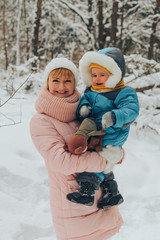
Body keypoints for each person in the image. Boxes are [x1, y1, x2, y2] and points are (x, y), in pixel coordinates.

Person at [30, 57, 123, 240]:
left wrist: (118, 153)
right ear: (47, 82)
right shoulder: (41, 121)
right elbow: (60, 162)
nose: (61, 86)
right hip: (74, 207)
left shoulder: (85, 111)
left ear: (75, 83)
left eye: (67, 80)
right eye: (55, 80)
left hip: (103, 202)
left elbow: (108, 141)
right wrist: (105, 159)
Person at [66, 47, 139, 210]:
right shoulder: (91, 92)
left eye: (102, 75)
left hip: (112, 136)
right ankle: (112, 194)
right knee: (105, 165)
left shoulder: (123, 92)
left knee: (96, 160)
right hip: (95, 134)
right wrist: (84, 108)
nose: (97, 79)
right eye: (94, 75)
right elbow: (84, 103)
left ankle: (87, 192)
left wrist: (115, 116)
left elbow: (131, 110)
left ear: (114, 74)